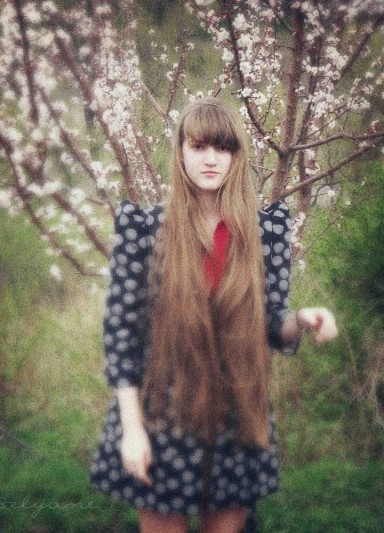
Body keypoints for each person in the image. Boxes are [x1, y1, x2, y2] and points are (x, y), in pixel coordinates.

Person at [90, 98, 338, 532]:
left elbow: (271, 324)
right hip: (161, 414)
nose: (210, 159)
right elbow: (121, 335)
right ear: (181, 152)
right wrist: (132, 429)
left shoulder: (265, 231)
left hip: (237, 414)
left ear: (237, 155)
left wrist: (301, 318)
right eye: (199, 146)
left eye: (222, 148)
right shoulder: (144, 230)